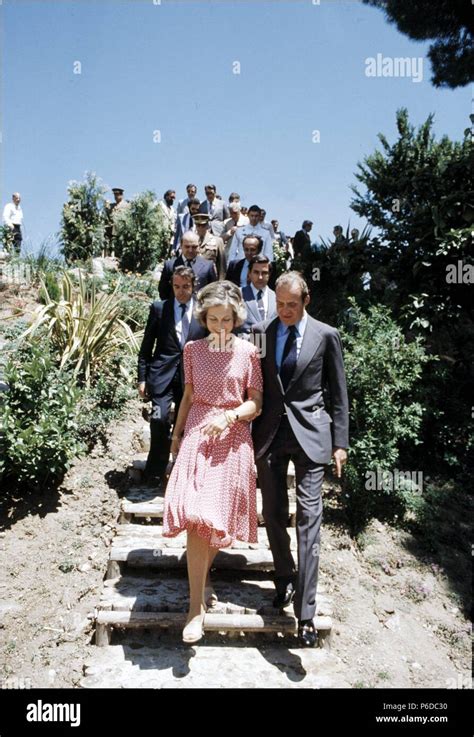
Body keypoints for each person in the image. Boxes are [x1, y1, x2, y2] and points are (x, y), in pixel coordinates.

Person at [252, 271, 349, 647]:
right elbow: (252, 382)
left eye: (293, 304)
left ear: (306, 300)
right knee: (274, 514)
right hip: (270, 437)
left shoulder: (326, 335)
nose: (286, 311)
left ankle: (305, 614)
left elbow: (339, 394)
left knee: (310, 523)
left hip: (312, 439)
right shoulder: (261, 331)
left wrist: (340, 443)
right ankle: (283, 579)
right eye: (280, 304)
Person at [163, 281, 263, 643]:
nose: (220, 326)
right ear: (203, 318)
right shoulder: (191, 350)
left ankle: (203, 581)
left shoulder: (249, 352)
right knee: (195, 514)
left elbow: (256, 403)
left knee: (214, 520)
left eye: (227, 319)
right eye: (213, 319)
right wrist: (175, 437)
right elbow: (188, 395)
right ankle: (195, 608)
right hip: (196, 436)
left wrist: (231, 416)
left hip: (232, 438)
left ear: (236, 319)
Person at [137, 266, 207, 483]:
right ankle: (155, 471)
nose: (181, 291)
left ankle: (183, 470)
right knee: (158, 419)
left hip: (192, 377)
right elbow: (146, 346)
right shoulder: (160, 308)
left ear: (194, 285)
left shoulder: (203, 312)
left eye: (186, 286)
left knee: (187, 422)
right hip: (162, 376)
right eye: (176, 286)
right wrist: (142, 378)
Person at [158, 230, 217, 300]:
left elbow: (213, 291)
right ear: (181, 246)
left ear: (199, 245)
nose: (190, 250)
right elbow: (163, 291)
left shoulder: (208, 266)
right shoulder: (170, 266)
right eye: (187, 246)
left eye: (194, 247)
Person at [240, 254, 277, 333]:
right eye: (256, 272)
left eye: (264, 273)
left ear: (269, 275)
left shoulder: (277, 297)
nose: (260, 277)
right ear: (249, 273)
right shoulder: (238, 295)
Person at [194, 213, 226, 279]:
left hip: (211, 278)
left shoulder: (218, 241)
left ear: (207, 226)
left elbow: (222, 266)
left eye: (203, 225)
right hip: (195, 276)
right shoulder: (191, 241)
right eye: (198, 225)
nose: (200, 228)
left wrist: (221, 283)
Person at [104, 187, 129, 257]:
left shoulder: (126, 205)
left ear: (121, 195)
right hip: (112, 229)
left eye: (117, 195)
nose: (115, 197)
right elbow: (109, 216)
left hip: (122, 228)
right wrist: (106, 208)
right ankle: (110, 254)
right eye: (115, 195)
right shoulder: (112, 205)